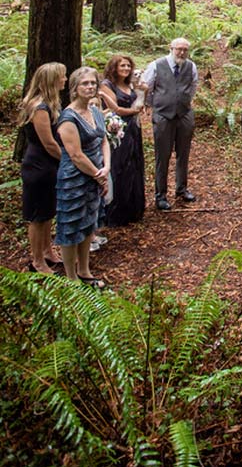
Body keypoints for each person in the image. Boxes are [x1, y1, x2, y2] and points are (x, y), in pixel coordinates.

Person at [55, 67, 111, 288]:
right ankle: (71, 277)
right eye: (85, 84)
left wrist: (106, 168)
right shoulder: (68, 117)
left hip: (96, 173)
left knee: (89, 222)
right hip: (74, 178)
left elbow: (104, 140)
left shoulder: (95, 110)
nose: (90, 87)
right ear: (75, 88)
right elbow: (76, 155)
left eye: (93, 83)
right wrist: (99, 176)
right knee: (71, 225)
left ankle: (85, 269)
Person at [19, 62, 67, 273]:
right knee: (38, 215)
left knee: (48, 211)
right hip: (39, 166)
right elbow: (48, 143)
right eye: (62, 76)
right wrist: (67, 158)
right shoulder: (39, 107)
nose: (65, 80)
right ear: (51, 80)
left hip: (48, 166)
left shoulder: (50, 103)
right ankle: (37, 261)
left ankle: (48, 250)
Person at [142, 37, 198, 211]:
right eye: (178, 49)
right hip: (163, 117)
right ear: (171, 48)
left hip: (184, 115)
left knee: (183, 153)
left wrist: (184, 102)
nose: (181, 52)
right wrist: (156, 105)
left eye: (185, 50)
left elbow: (193, 86)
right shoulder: (156, 65)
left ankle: (181, 189)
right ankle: (161, 195)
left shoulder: (191, 66)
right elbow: (147, 87)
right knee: (162, 156)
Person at [99, 54, 148, 226]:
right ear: (114, 67)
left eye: (128, 66)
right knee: (119, 165)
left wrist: (143, 93)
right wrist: (134, 112)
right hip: (117, 129)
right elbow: (116, 109)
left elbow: (139, 99)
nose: (126, 69)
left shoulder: (129, 84)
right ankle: (116, 212)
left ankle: (133, 208)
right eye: (122, 66)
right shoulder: (107, 85)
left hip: (133, 128)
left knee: (133, 165)